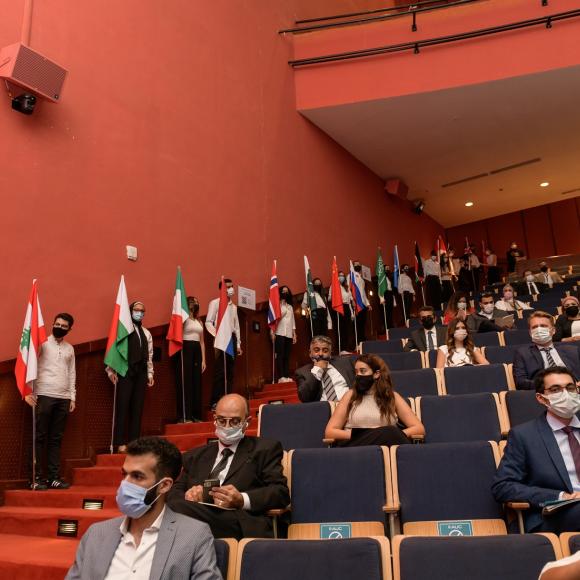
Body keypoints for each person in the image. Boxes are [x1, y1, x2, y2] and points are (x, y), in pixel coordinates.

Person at [66, 437, 221, 580]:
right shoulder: (96, 534)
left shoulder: (194, 536)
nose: (125, 484)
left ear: (164, 485)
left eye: (137, 476)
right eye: (124, 474)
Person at [167, 394, 289, 539]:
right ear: (214, 419)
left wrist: (241, 500)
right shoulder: (195, 456)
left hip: (238, 520)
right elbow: (174, 493)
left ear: (247, 422)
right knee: (172, 506)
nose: (227, 426)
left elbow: (280, 493)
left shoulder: (265, 449)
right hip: (196, 513)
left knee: (175, 510)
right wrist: (189, 495)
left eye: (235, 421)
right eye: (222, 420)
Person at [492, 367, 580, 534]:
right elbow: (503, 486)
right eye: (555, 390)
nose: (566, 394)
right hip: (556, 515)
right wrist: (561, 497)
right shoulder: (524, 436)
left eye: (570, 388)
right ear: (541, 398)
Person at [324, 354, 425, 447]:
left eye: (362, 371)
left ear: (376, 374)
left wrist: (390, 434)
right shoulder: (350, 395)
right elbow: (330, 431)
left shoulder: (392, 396)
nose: (358, 375)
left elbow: (419, 428)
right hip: (357, 445)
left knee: (389, 432)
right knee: (389, 432)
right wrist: (364, 434)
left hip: (387, 446)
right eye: (356, 372)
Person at [25, 313, 76, 490]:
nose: (59, 327)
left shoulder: (70, 348)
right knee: (39, 437)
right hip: (43, 395)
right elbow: (30, 367)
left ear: (69, 329)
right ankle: (35, 478)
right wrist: (29, 391)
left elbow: (72, 373)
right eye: (57, 324)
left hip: (63, 397)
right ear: (52, 324)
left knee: (56, 439)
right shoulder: (42, 344)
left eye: (64, 326)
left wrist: (72, 396)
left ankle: (53, 477)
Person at [107, 302, 154, 453]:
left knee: (137, 408)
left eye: (142, 311)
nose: (139, 313)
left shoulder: (146, 333)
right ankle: (119, 443)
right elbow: (115, 348)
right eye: (136, 310)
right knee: (123, 407)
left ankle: (134, 443)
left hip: (141, 373)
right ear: (130, 311)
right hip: (125, 371)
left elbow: (150, 356)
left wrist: (150, 373)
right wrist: (110, 371)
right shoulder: (124, 330)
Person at [513, 312, 580, 390]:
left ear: (553, 330)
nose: (539, 329)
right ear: (530, 333)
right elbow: (520, 383)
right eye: (534, 327)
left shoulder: (572, 350)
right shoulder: (522, 354)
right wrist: (549, 385)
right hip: (547, 394)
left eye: (543, 326)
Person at [206, 278, 242, 408]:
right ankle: (215, 401)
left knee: (230, 371)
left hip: (231, 339)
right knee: (220, 371)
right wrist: (217, 335)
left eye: (232, 286)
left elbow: (236, 326)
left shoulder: (234, 307)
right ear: (221, 289)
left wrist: (238, 344)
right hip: (220, 338)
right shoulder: (215, 303)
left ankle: (229, 399)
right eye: (227, 287)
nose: (230, 289)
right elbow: (208, 322)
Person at [295, 335, 355, 403]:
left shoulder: (346, 362)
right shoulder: (302, 372)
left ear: (330, 353)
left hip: (350, 405)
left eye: (325, 351)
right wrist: (317, 370)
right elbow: (305, 398)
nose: (320, 354)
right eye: (316, 350)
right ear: (310, 353)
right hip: (324, 410)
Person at [174, 296, 206, 423]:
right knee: (186, 382)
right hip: (185, 349)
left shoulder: (199, 321)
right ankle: (185, 415)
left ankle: (196, 415)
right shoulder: (183, 320)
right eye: (193, 301)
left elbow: (202, 342)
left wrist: (204, 360)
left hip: (197, 350)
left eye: (197, 302)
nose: (195, 303)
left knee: (196, 382)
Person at [271, 285, 297, 382]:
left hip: (289, 334)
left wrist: (294, 334)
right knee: (280, 355)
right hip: (279, 333)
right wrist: (272, 332)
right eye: (283, 291)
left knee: (287, 355)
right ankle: (281, 376)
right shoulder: (276, 305)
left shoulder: (290, 306)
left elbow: (292, 321)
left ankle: (286, 376)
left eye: (287, 291)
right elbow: (276, 319)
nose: (285, 293)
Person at [328, 270, 353, 353]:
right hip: (338, 307)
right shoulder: (333, 286)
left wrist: (352, 313)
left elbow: (349, 300)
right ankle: (341, 348)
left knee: (347, 328)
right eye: (340, 275)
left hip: (346, 307)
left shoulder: (346, 286)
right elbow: (330, 298)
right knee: (340, 328)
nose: (341, 277)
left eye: (343, 275)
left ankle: (346, 347)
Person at [352, 260, 371, 342]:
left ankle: (362, 338)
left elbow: (363, 292)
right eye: (356, 265)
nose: (358, 266)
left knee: (363, 322)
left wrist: (368, 304)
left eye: (359, 265)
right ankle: (358, 340)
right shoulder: (351, 276)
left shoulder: (361, 278)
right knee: (357, 324)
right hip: (356, 303)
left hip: (363, 303)